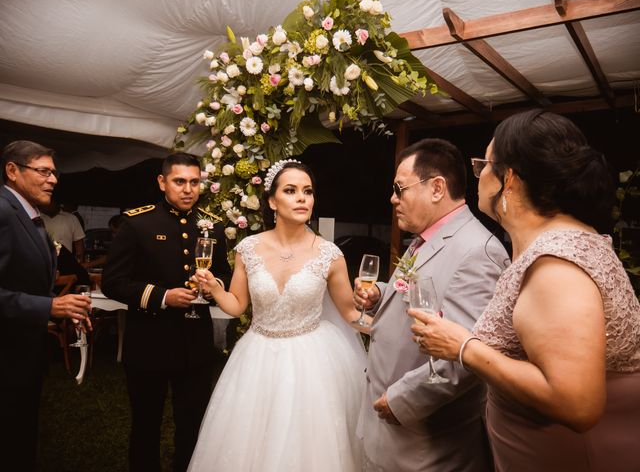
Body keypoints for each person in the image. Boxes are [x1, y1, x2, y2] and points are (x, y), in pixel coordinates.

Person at [409, 109, 640, 471]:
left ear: (510, 179)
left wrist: (463, 347)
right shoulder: (559, 242)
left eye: (484, 164)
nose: (479, 176)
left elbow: (577, 403)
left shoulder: (556, 267)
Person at [187, 160, 368, 472]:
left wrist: (391, 325)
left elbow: (351, 313)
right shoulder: (249, 248)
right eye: (291, 190)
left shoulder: (330, 255)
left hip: (312, 362)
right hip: (257, 358)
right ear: (271, 201)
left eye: (308, 191)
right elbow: (237, 305)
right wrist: (216, 290)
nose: (302, 198)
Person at [354, 138, 509, 471]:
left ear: (437, 187)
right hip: (394, 439)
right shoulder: (426, 238)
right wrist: (383, 293)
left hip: (427, 445)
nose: (393, 198)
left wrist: (400, 401)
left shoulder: (477, 252)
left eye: (400, 189)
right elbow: (423, 294)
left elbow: (467, 355)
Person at [101, 152, 232, 472]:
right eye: (179, 181)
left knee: (193, 426)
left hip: (196, 347)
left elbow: (225, 278)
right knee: (146, 426)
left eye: (194, 182)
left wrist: (213, 287)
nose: (188, 189)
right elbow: (112, 282)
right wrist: (162, 296)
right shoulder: (138, 223)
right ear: (162, 183)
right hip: (149, 343)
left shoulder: (212, 226)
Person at [0, 140, 91, 471]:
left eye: (54, 173)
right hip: (6, 355)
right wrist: (47, 308)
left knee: (20, 437)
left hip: (23, 353)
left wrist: (61, 306)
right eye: (43, 171)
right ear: (12, 171)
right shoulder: (3, 212)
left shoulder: (28, 215)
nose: (53, 179)